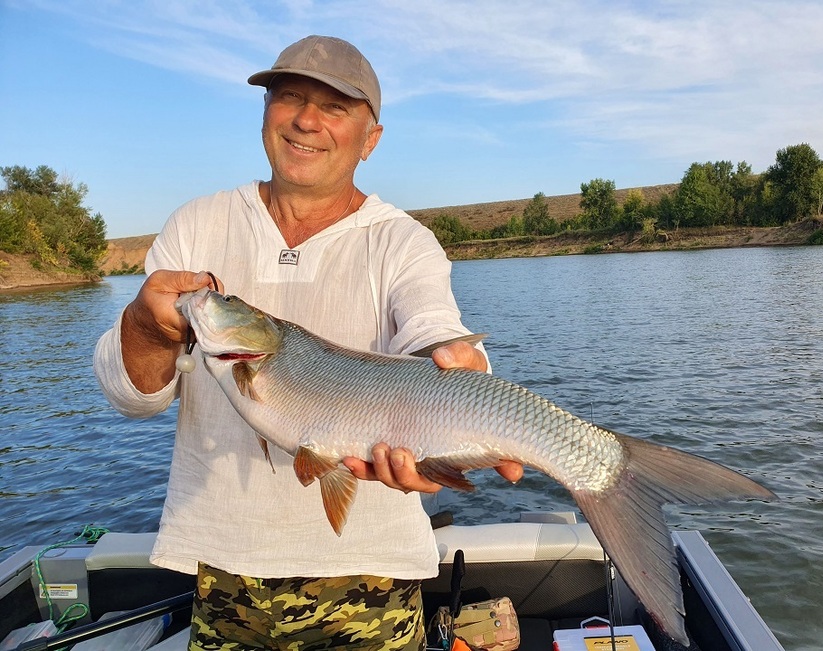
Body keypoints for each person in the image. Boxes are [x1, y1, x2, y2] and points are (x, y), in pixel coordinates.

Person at [94, 35, 522, 650]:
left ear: (371, 139)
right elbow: (132, 398)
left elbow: (433, 326)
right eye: (289, 96)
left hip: (375, 573)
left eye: (336, 107)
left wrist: (460, 359)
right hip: (222, 571)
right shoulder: (196, 224)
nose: (306, 120)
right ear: (266, 112)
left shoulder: (404, 242)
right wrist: (142, 323)